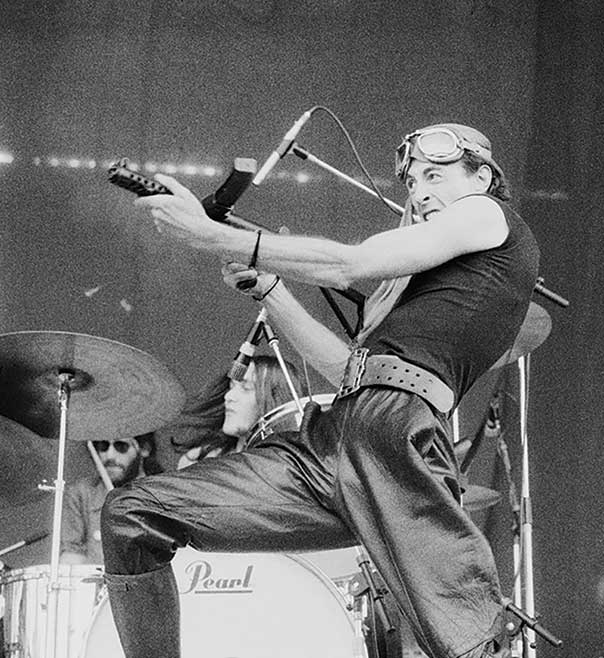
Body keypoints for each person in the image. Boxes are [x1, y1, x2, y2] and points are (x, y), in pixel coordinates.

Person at [101, 123, 540, 658]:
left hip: (397, 440)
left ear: (484, 176)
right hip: (332, 439)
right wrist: (272, 290)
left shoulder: (489, 215)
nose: (420, 190)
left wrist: (209, 234)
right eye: (412, 181)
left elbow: (347, 263)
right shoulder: (412, 294)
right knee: (132, 516)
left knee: (468, 645)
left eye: (436, 174)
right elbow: (350, 371)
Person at [169, 354, 307, 469]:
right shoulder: (197, 461)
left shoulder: (293, 470)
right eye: (231, 387)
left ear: (275, 399)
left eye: (246, 388)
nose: (228, 396)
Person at [60, 433, 163, 564]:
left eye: (121, 446)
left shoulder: (161, 495)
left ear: (144, 449)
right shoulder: (80, 494)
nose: (110, 456)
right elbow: (72, 554)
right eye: (103, 446)